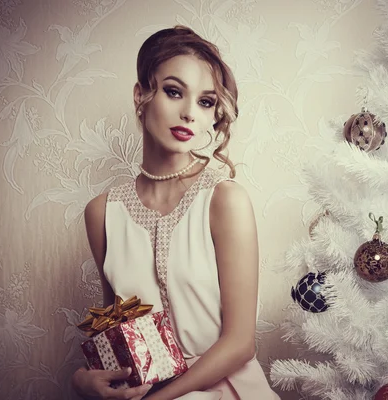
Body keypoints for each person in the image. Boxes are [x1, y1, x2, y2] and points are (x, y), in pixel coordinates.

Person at [71, 26, 280, 400]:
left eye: (205, 101)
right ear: (141, 95)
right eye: (173, 91)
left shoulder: (224, 201)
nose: (189, 113)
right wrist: (82, 381)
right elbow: (117, 333)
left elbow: (240, 343)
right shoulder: (101, 213)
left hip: (228, 390)